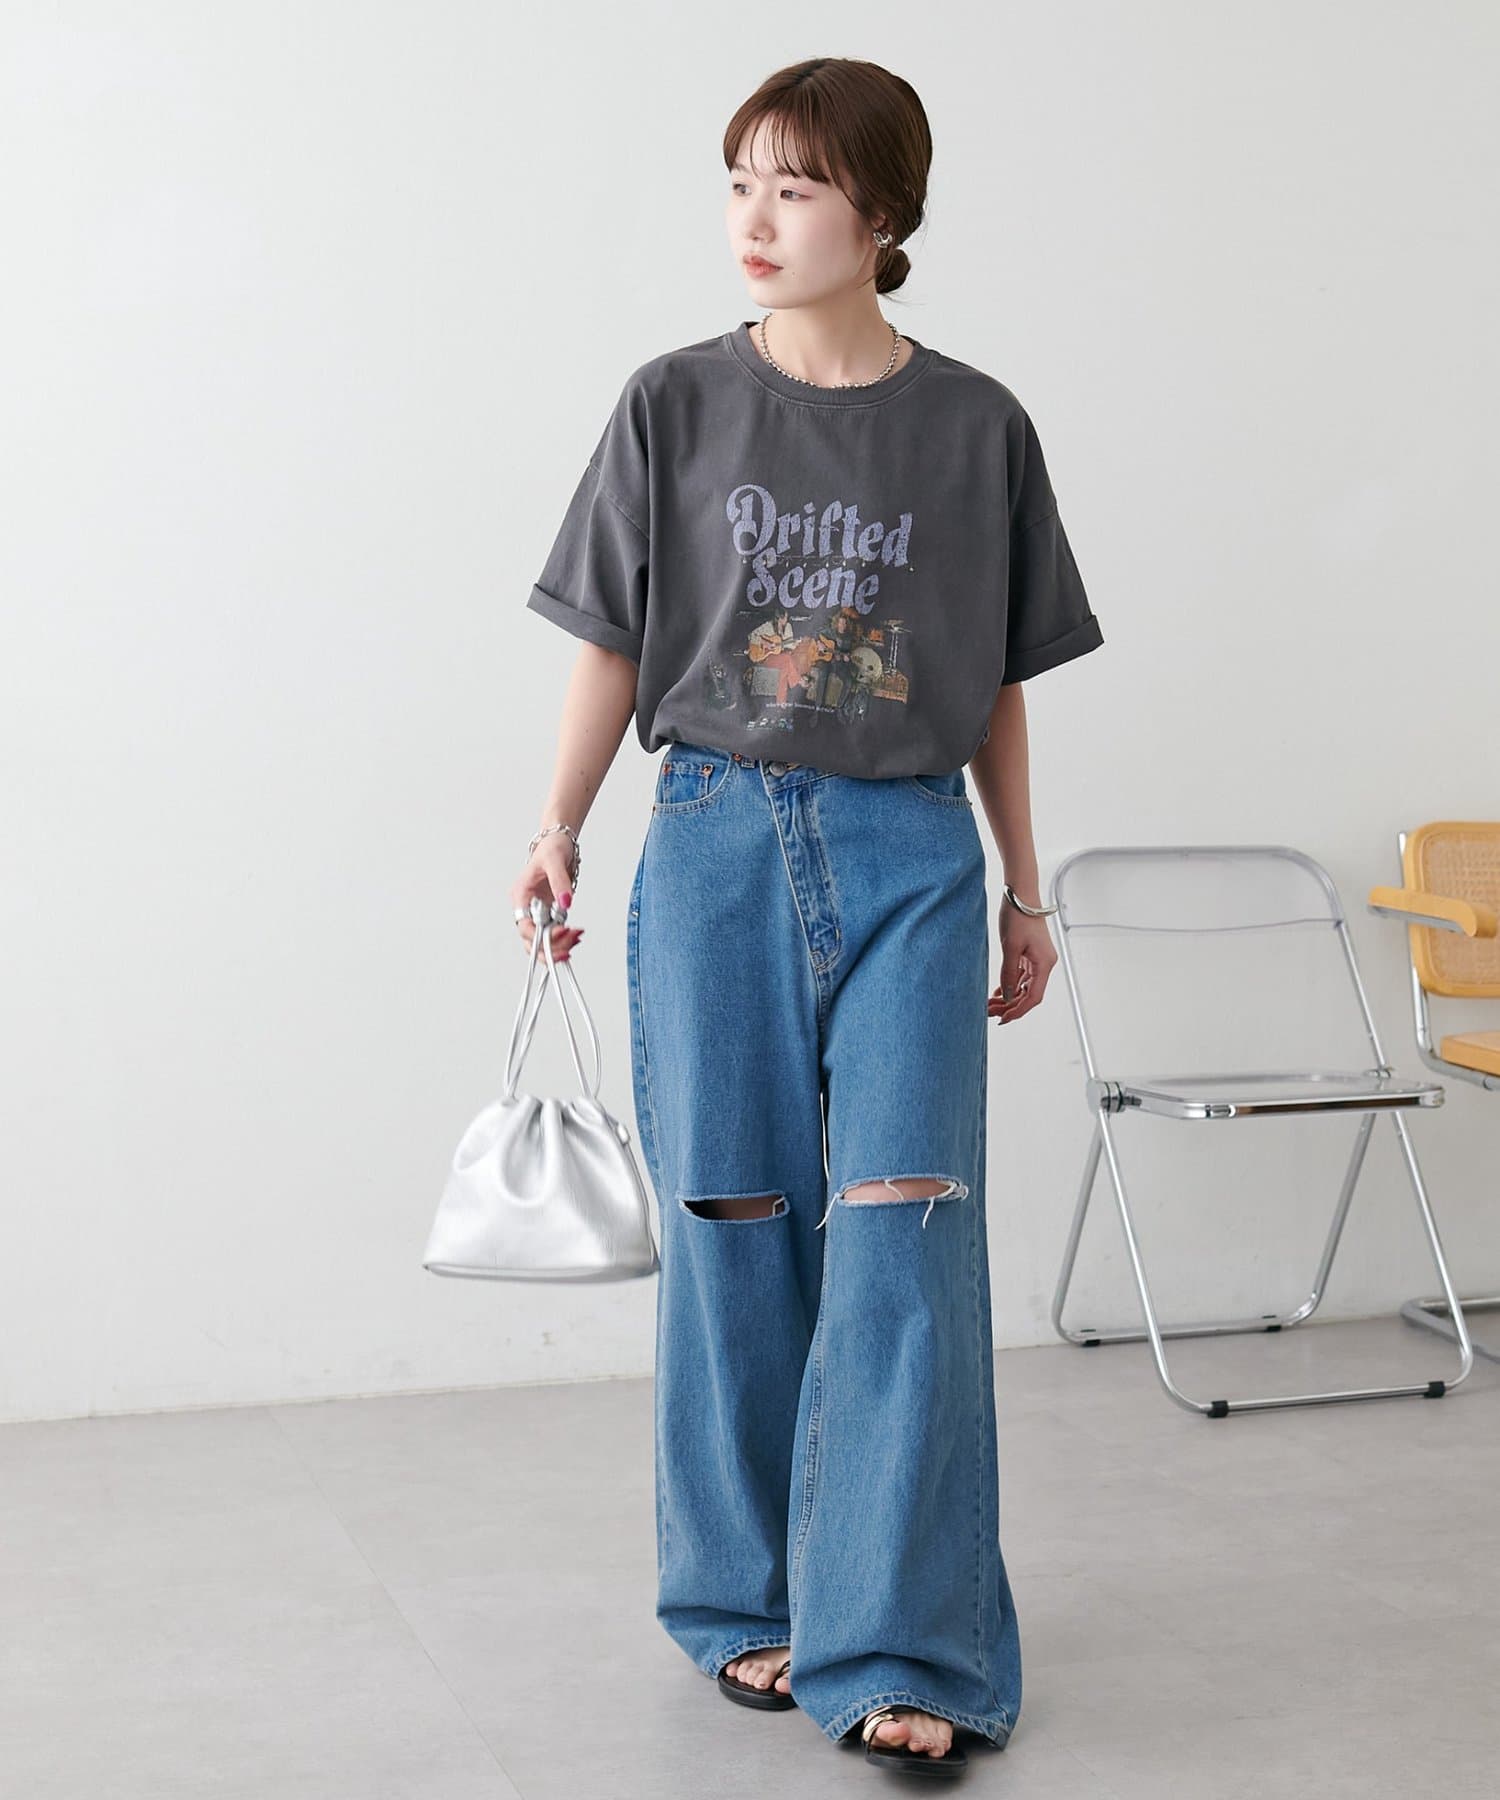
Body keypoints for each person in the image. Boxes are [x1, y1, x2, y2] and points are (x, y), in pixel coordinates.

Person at [511, 56, 1104, 1781]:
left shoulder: (978, 427)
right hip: (713, 842)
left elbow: (996, 677)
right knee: (735, 1221)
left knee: (907, 1233)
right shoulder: (673, 404)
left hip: (911, 850)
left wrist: (1025, 883)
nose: (756, 221)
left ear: (884, 213)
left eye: (798, 188)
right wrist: (556, 823)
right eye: (742, 183)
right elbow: (611, 637)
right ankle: (748, 1599)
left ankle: (901, 1641)